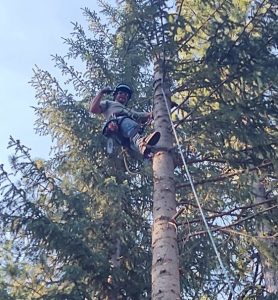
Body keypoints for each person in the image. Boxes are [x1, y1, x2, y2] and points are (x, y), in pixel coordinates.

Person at [89, 83, 160, 158]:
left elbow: (147, 115)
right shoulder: (109, 103)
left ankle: (150, 153)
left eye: (126, 95)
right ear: (115, 95)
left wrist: (162, 109)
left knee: (134, 144)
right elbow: (93, 109)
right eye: (121, 93)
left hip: (127, 136)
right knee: (130, 125)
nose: (123, 95)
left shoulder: (130, 112)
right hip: (118, 124)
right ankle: (141, 143)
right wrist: (101, 93)